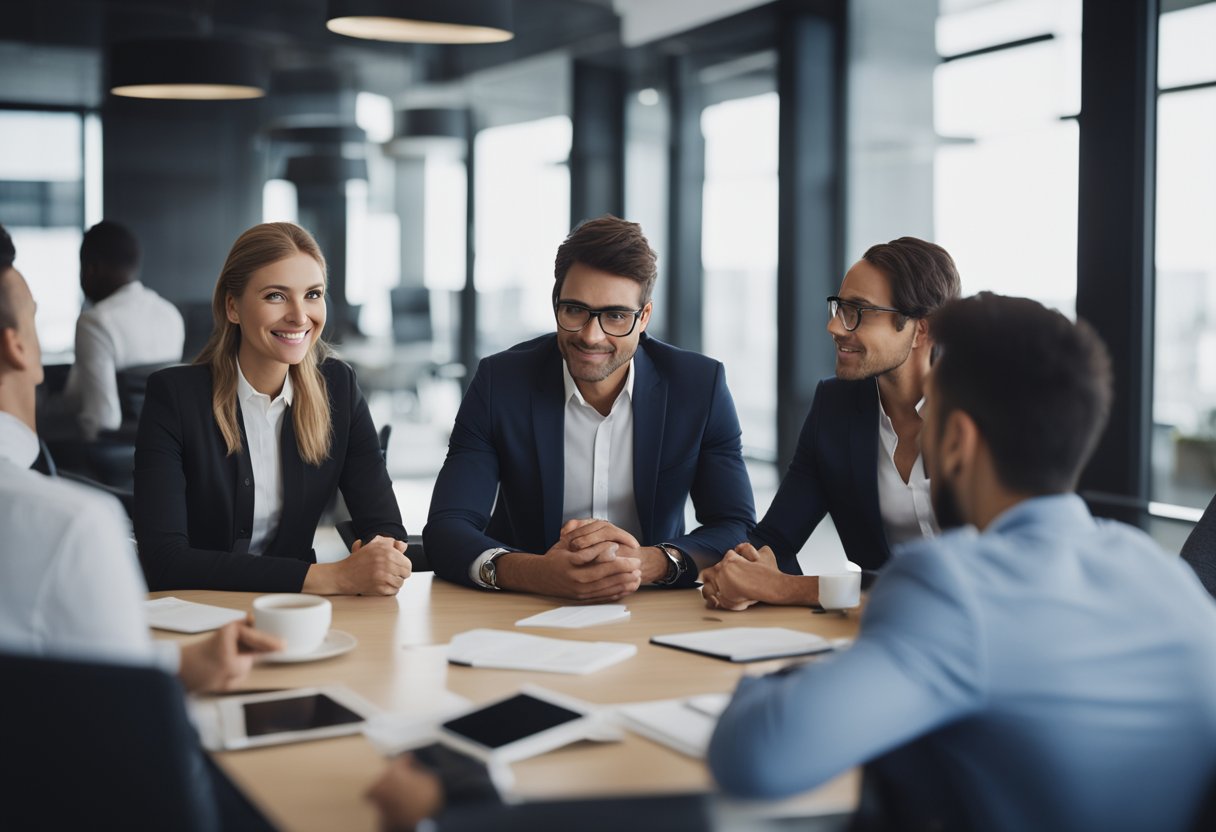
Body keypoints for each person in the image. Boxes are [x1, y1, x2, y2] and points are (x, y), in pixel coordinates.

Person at [707, 293, 1216, 831]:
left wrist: (780, 679)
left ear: (957, 442)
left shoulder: (950, 584)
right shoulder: (1170, 580)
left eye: (934, 419)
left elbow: (752, 758)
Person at [0, 223, 280, 691]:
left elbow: (99, 415)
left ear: (91, 269)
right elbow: (131, 710)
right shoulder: (72, 525)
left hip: (110, 456)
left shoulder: (94, 321)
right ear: (18, 347)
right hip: (165, 456)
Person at [425, 215, 755, 600]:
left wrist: (648, 562)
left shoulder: (699, 386)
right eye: (575, 310)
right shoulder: (502, 383)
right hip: (525, 606)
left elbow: (735, 524)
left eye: (615, 315)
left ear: (643, 317)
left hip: (652, 603)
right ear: (556, 304)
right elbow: (448, 528)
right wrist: (538, 573)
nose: (590, 335)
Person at [134, 222, 410, 594]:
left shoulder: (338, 388)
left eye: (313, 294)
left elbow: (384, 526)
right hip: (200, 612)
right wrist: (332, 576)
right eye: (276, 296)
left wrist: (380, 556)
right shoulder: (175, 398)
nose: (299, 316)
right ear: (232, 307)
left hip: (297, 614)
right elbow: (165, 561)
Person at [699, 237, 960, 611]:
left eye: (859, 311)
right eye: (840, 307)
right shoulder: (835, 407)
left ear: (921, 330)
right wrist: (738, 571)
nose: (834, 326)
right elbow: (774, 539)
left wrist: (787, 588)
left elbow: (982, 576)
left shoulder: (979, 414)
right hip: (879, 634)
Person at [62, 220, 185, 440]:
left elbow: (101, 421)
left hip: (104, 461)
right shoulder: (170, 314)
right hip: (166, 449)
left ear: (91, 268)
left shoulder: (94, 322)